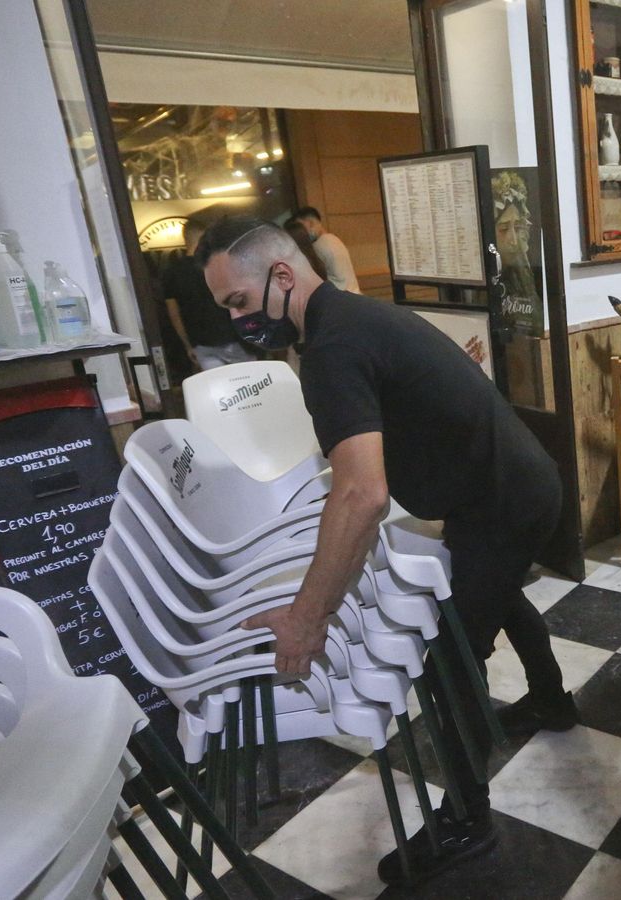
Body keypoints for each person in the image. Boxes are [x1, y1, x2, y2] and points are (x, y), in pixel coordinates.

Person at [195, 216, 575, 886]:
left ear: (282, 276)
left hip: (504, 499)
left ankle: (468, 821)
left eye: (240, 303)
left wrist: (305, 618)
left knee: (449, 662)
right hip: (508, 485)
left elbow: (361, 495)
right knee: (496, 594)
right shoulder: (350, 319)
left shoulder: (332, 348)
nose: (238, 321)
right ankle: (551, 701)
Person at [163, 218, 253, 370]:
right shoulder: (216, 266)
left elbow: (174, 314)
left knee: (218, 389)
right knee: (250, 384)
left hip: (201, 344)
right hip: (233, 338)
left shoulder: (172, 272)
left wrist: (187, 345)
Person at [290, 206, 361, 292]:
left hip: (339, 296)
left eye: (301, 226)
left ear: (310, 223)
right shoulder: (335, 239)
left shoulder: (318, 246)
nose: (302, 231)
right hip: (354, 292)